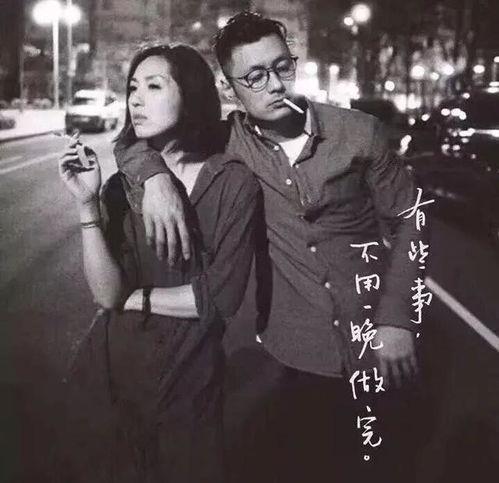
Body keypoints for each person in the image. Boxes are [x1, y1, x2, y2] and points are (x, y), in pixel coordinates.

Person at [114, 12, 429, 483]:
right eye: (255, 76)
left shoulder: (359, 133)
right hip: (293, 353)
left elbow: (412, 217)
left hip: (378, 343)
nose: (276, 85)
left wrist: (397, 317)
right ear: (229, 88)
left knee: (388, 465)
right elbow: (142, 135)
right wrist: (153, 176)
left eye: (282, 67)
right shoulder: (227, 141)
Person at [57, 43, 260, 483]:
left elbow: (221, 299)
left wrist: (137, 298)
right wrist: (86, 204)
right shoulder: (121, 187)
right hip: (111, 380)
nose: (136, 100)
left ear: (191, 94)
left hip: (190, 385)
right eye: (132, 88)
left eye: (153, 86)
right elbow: (106, 292)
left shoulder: (232, 183)